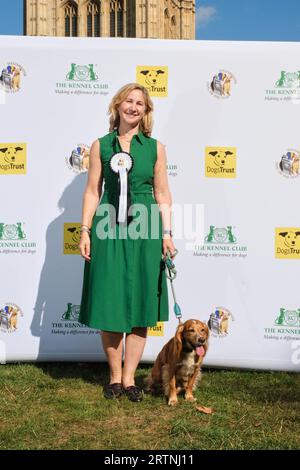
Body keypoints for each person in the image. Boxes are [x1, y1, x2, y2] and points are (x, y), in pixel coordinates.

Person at [79, 83, 176, 402]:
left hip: (146, 227)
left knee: (140, 303)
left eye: (141, 104)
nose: (134, 107)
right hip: (108, 226)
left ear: (146, 112)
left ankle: (132, 378)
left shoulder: (156, 148)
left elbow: (162, 194)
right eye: (129, 101)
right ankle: (115, 377)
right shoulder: (100, 145)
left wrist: (166, 233)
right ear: (117, 106)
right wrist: (85, 229)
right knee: (109, 300)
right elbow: (93, 191)